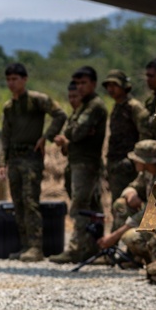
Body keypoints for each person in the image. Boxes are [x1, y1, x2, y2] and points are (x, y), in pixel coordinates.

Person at [0, 62, 67, 262]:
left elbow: (60, 115)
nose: (11, 83)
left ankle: (36, 247)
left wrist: (46, 137)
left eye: (15, 79)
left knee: (30, 201)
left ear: (24, 79)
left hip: (31, 157)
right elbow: (5, 136)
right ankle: (25, 245)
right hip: (14, 158)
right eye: (8, 79)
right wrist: (2, 162)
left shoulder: (37, 100)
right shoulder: (9, 107)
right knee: (18, 203)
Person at [95, 140, 156, 266]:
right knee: (120, 205)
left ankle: (153, 259)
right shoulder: (149, 171)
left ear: (146, 162)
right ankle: (131, 256)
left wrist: (114, 236)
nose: (134, 161)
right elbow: (133, 186)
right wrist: (131, 193)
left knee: (130, 236)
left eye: (136, 159)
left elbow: (150, 214)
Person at [50, 66, 108, 264]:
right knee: (90, 206)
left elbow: (75, 132)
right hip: (78, 161)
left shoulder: (94, 106)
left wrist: (72, 134)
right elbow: (74, 131)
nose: (80, 87)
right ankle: (91, 248)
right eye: (77, 83)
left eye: (84, 83)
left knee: (81, 205)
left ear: (93, 84)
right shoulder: (83, 106)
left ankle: (76, 249)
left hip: (86, 163)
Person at [102, 69, 150, 210]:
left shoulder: (134, 107)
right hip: (116, 164)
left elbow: (145, 134)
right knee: (117, 203)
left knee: (125, 205)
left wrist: (137, 161)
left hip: (128, 166)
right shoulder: (117, 107)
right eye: (108, 85)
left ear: (124, 86)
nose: (111, 89)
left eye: (114, 85)